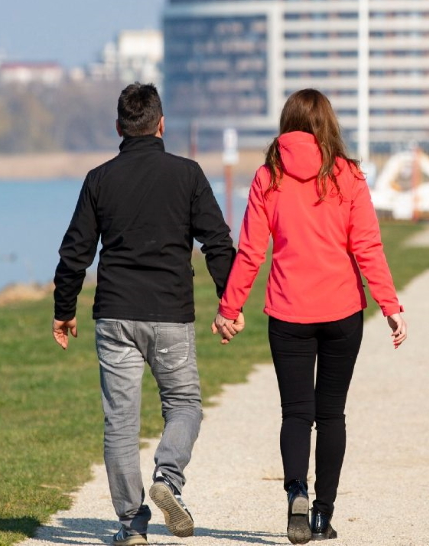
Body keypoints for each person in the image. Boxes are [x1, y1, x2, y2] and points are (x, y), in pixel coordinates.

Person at [213, 89, 407, 545]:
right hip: (342, 310)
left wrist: (229, 307)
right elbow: (367, 248)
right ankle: (322, 514)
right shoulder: (349, 175)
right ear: (328, 125)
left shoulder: (268, 177)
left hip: (288, 311)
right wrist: (390, 306)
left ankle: (295, 491)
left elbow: (252, 253)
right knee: (332, 413)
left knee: (296, 413)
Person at [51, 83, 235, 546]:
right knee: (185, 404)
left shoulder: (99, 179)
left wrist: (63, 310)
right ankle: (168, 479)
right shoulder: (188, 175)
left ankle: (131, 524)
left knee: (121, 423)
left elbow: (76, 252)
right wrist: (228, 304)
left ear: (118, 128)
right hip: (171, 312)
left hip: (115, 314)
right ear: (161, 124)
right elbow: (217, 242)